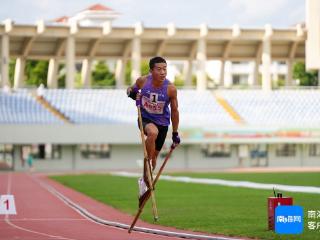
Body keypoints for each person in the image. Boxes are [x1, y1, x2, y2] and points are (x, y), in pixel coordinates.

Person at [127, 56, 180, 194]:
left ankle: (144, 178)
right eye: (159, 69)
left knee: (155, 157)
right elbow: (129, 90)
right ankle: (147, 173)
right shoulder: (143, 81)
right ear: (151, 71)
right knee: (152, 133)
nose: (163, 72)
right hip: (145, 118)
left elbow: (175, 111)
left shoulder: (170, 89)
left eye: (165, 69)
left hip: (163, 123)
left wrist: (175, 133)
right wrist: (133, 94)